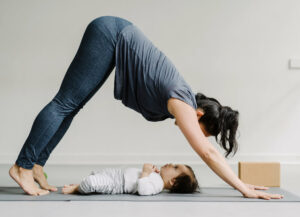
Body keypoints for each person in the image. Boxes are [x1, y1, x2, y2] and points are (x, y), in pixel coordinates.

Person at [9, 15, 283, 200]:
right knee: (64, 102)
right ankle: (22, 166)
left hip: (114, 36)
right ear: (199, 115)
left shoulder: (183, 99)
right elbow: (208, 153)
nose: (198, 137)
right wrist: (243, 188)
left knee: (72, 106)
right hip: (110, 33)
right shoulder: (183, 103)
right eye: (203, 131)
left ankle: (36, 165)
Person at [62, 163, 200, 195]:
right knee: (96, 175)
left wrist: (146, 173)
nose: (170, 164)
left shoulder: (158, 185)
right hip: (117, 175)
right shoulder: (157, 177)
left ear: (173, 181)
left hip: (117, 184)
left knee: (91, 182)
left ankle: (77, 189)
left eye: (175, 168)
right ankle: (82, 185)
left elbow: (143, 190)